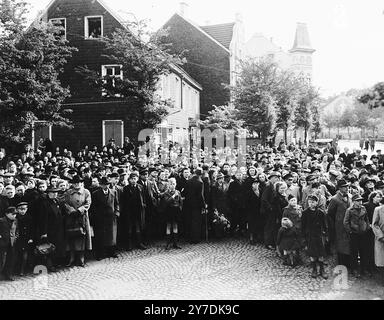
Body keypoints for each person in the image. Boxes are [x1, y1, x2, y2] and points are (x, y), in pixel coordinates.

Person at [63, 176, 92, 267]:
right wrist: (71, 210)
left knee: (82, 236)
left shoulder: (86, 192)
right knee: (71, 236)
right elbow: (65, 203)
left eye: (78, 182)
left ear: (81, 183)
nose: (76, 184)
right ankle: (72, 257)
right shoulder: (68, 193)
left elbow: (88, 203)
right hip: (71, 217)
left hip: (81, 217)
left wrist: (80, 210)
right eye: (74, 183)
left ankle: (81, 257)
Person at [36, 186, 66, 272]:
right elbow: (43, 219)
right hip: (50, 229)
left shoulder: (57, 201)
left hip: (58, 229)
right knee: (49, 247)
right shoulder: (44, 204)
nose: (55, 194)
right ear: (48, 193)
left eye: (56, 192)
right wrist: (44, 232)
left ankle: (56, 263)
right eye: (53, 193)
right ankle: (50, 265)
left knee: (57, 246)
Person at [90, 177, 119, 261]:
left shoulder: (114, 192)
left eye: (106, 184)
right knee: (101, 236)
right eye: (103, 185)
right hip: (100, 218)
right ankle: (100, 254)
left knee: (111, 236)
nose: (105, 186)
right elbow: (93, 207)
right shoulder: (95, 194)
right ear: (100, 185)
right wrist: (96, 216)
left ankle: (112, 252)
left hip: (111, 217)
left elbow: (117, 204)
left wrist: (117, 213)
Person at [344, 194, 371, 277]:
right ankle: (354, 269)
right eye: (358, 201)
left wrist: (367, 227)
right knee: (354, 252)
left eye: (361, 200)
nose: (360, 202)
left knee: (364, 252)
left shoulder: (363, 208)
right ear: (354, 202)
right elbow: (346, 222)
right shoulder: (349, 210)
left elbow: (366, 219)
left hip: (363, 233)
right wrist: (350, 231)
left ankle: (364, 269)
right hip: (354, 234)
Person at [302, 195, 328, 279]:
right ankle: (314, 269)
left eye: (313, 202)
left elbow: (325, 225)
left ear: (317, 202)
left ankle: (322, 269)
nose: (311, 204)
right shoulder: (305, 213)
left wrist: (326, 235)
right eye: (309, 202)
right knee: (312, 254)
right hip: (310, 236)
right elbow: (303, 225)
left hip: (319, 235)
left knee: (321, 254)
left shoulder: (321, 212)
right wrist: (303, 238)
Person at [327, 179, 352, 268]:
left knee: (348, 243)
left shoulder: (350, 196)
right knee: (340, 243)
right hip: (339, 225)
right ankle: (341, 263)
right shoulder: (335, 199)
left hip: (349, 224)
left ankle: (348, 262)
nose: (346, 188)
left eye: (347, 186)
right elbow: (330, 212)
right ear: (340, 188)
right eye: (344, 187)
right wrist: (337, 221)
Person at [121, 172, 146, 251]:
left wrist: (143, 205)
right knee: (129, 229)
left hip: (138, 211)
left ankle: (139, 243)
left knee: (138, 228)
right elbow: (124, 201)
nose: (133, 180)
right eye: (132, 179)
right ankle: (129, 245)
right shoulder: (126, 188)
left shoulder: (140, 187)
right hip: (129, 211)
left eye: (135, 179)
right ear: (129, 180)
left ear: (137, 179)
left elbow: (143, 198)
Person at [183, 168, 206, 244]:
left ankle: (188, 237)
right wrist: (203, 205)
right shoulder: (200, 182)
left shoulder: (188, 181)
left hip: (188, 204)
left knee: (189, 220)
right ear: (200, 174)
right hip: (196, 205)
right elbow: (200, 196)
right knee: (196, 222)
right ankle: (195, 238)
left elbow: (185, 192)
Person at [159, 177, 182, 250]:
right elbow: (166, 201)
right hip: (169, 211)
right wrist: (173, 196)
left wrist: (180, 207)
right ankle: (168, 243)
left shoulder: (178, 192)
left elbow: (180, 201)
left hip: (176, 211)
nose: (172, 185)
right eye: (171, 184)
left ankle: (175, 243)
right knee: (168, 226)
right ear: (168, 185)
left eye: (174, 184)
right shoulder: (166, 193)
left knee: (175, 226)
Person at [261, 172, 281, 250]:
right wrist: (270, 208)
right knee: (269, 226)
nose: (277, 179)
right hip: (269, 211)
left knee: (273, 226)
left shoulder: (274, 186)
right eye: (276, 177)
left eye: (278, 177)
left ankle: (271, 242)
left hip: (273, 210)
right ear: (271, 178)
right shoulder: (268, 186)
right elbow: (264, 199)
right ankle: (268, 243)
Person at [15, 202, 33, 276]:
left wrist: (31, 238)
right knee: (17, 255)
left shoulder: (29, 218)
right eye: (20, 209)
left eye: (24, 209)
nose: (22, 211)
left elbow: (32, 229)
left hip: (26, 238)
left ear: (27, 209)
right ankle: (16, 269)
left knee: (25, 255)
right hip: (18, 238)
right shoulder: (16, 218)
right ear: (17, 210)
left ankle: (22, 270)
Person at [0, 207, 18, 281]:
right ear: (7, 214)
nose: (14, 216)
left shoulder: (15, 221)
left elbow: (17, 230)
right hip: (2, 243)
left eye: (15, 214)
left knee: (10, 259)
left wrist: (16, 236)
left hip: (12, 243)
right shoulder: (1, 221)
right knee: (1, 260)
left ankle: (8, 275)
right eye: (13, 214)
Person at [372, 204, 384, 280]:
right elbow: (374, 224)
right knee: (382, 261)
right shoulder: (378, 210)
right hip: (382, 239)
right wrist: (381, 236)